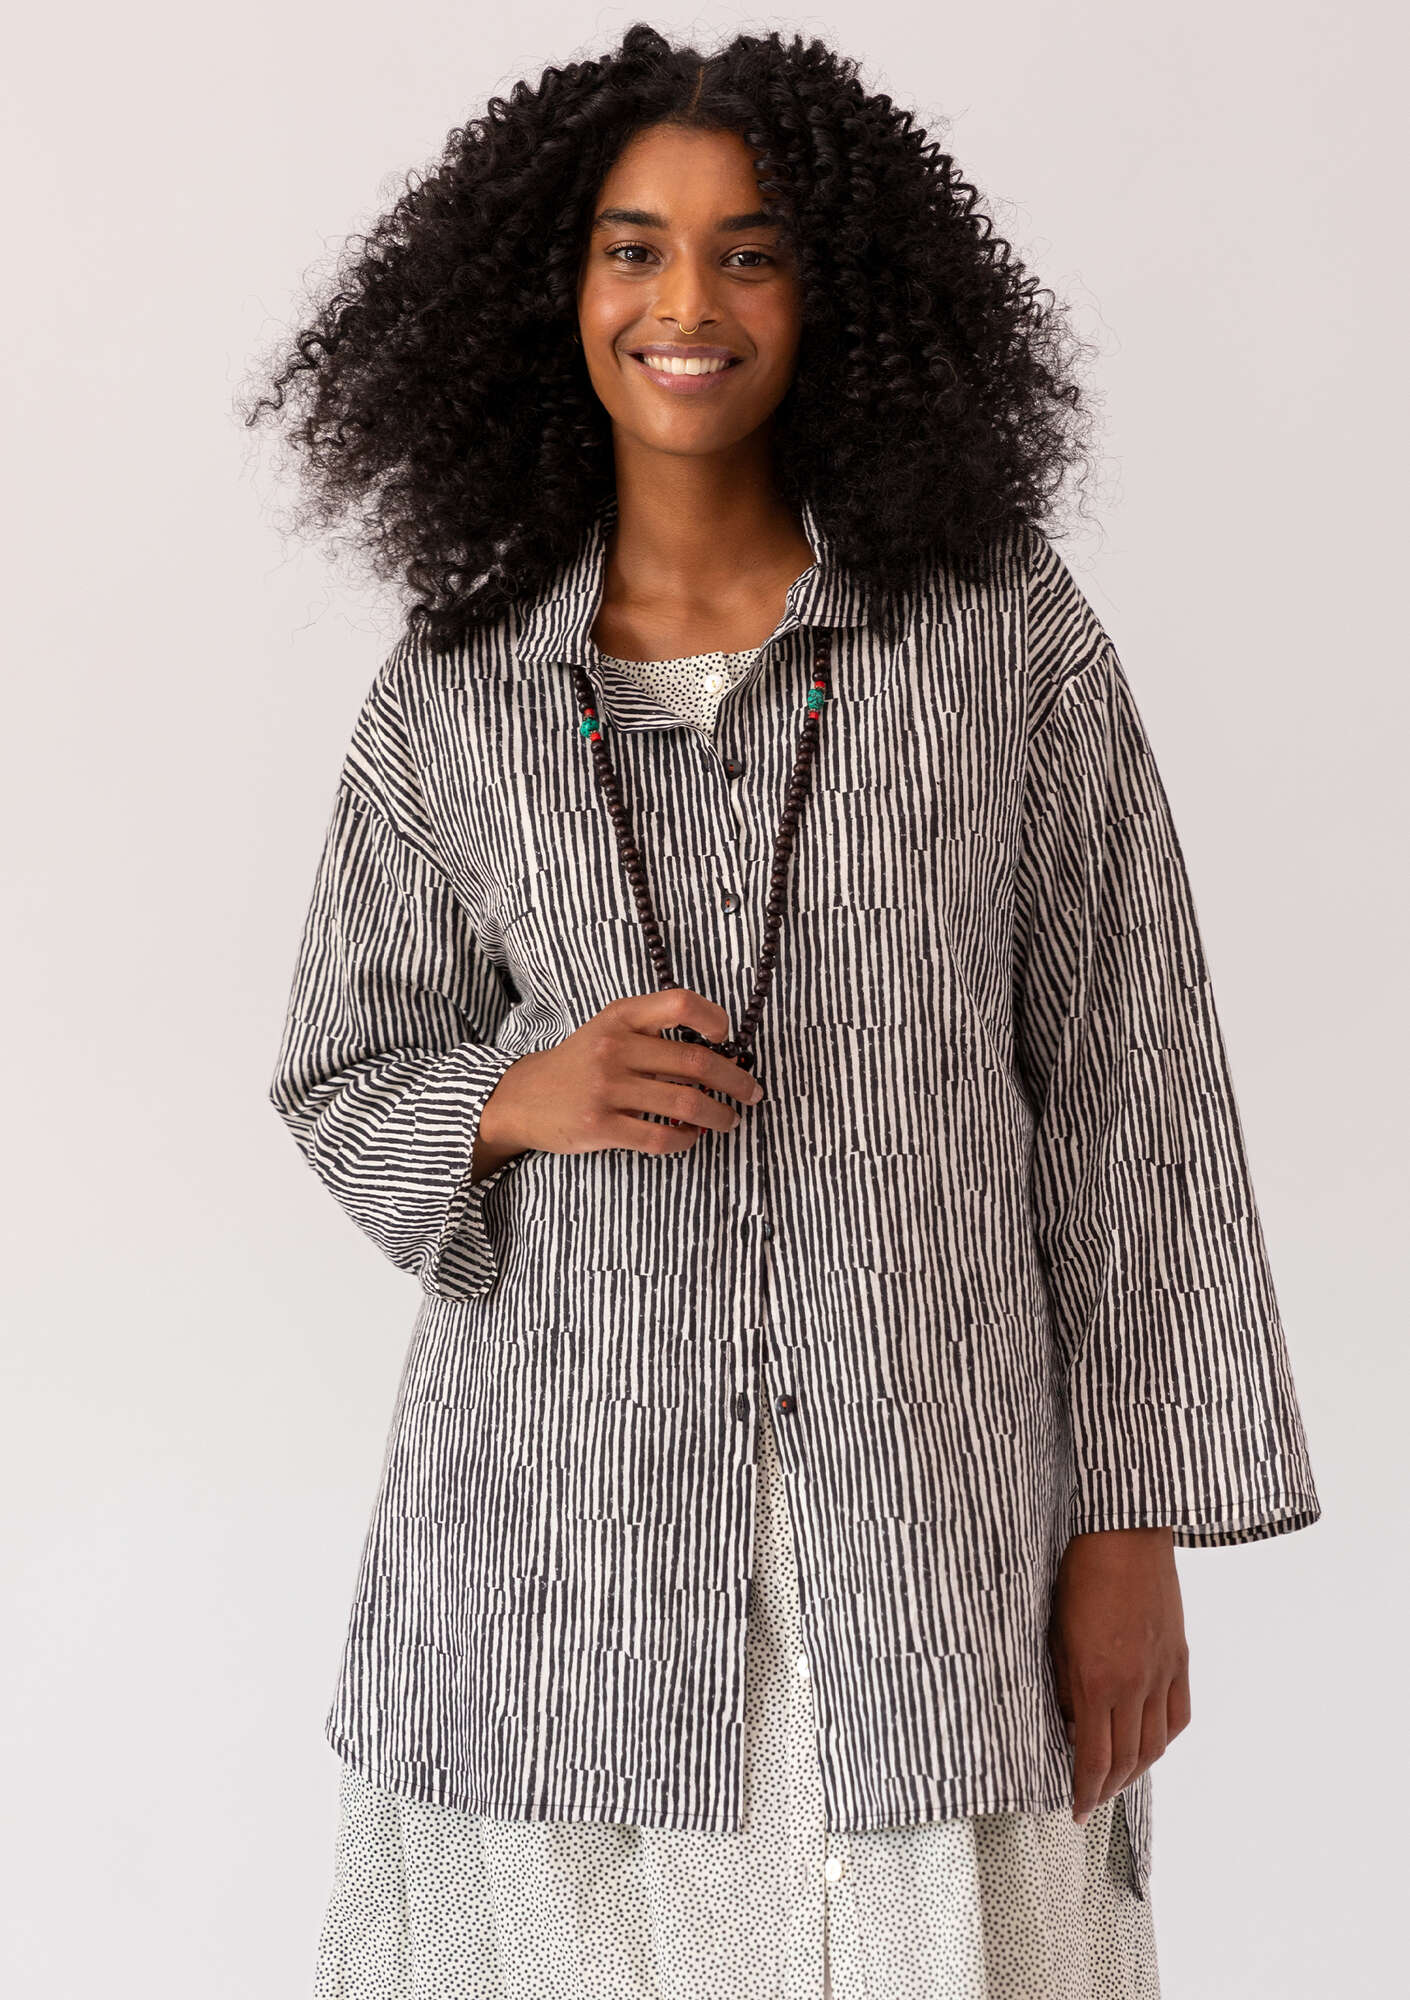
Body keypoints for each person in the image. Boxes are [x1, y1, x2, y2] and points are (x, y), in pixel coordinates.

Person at [245, 23, 1322, 2000]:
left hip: (934, 1542)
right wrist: (518, 1091)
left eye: (751, 252)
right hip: (559, 1574)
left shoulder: (997, 635)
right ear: (555, 289)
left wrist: (1134, 1524)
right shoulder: (456, 688)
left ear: (839, 298)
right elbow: (340, 1068)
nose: (688, 302)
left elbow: (1137, 1083)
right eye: (633, 248)